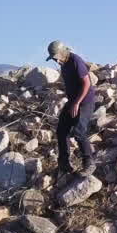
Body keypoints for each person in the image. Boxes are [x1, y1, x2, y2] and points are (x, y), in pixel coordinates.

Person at [46, 41, 96, 176]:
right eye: (53, 58)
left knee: (79, 130)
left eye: (56, 57)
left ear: (63, 52)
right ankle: (64, 163)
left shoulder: (76, 61)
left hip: (85, 101)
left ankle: (89, 163)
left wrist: (77, 103)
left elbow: (86, 84)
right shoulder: (63, 65)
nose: (55, 60)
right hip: (73, 101)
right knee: (61, 129)